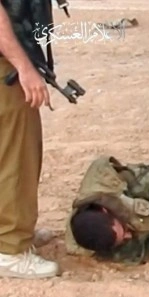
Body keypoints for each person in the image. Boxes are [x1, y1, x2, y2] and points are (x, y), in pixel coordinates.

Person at [0, 2, 59, 279]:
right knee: (18, 155)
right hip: (5, 65)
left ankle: (9, 232)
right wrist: (23, 66)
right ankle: (10, 248)